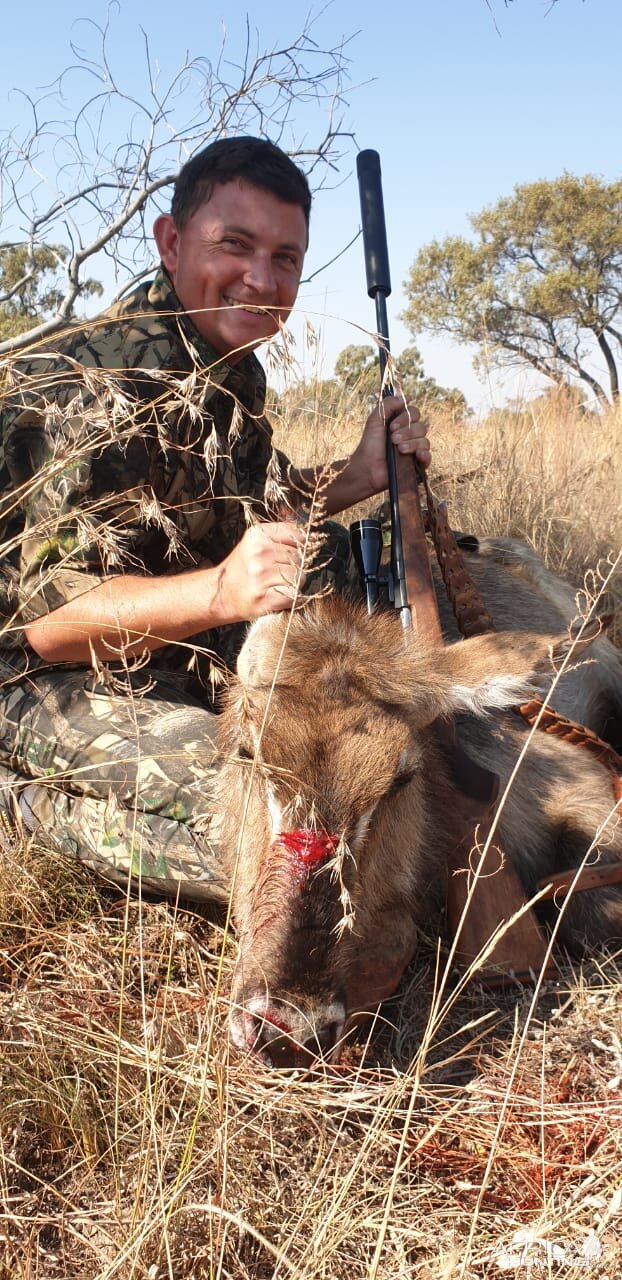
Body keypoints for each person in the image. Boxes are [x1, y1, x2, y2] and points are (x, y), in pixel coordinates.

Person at [0, 136, 430, 901]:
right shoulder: (99, 385)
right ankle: (21, 796)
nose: (262, 280)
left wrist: (361, 474)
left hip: (175, 646)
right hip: (40, 677)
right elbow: (53, 626)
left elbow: (245, 514)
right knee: (273, 827)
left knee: (328, 560)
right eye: (235, 245)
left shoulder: (230, 365)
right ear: (170, 242)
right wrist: (222, 595)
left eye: (287, 259)